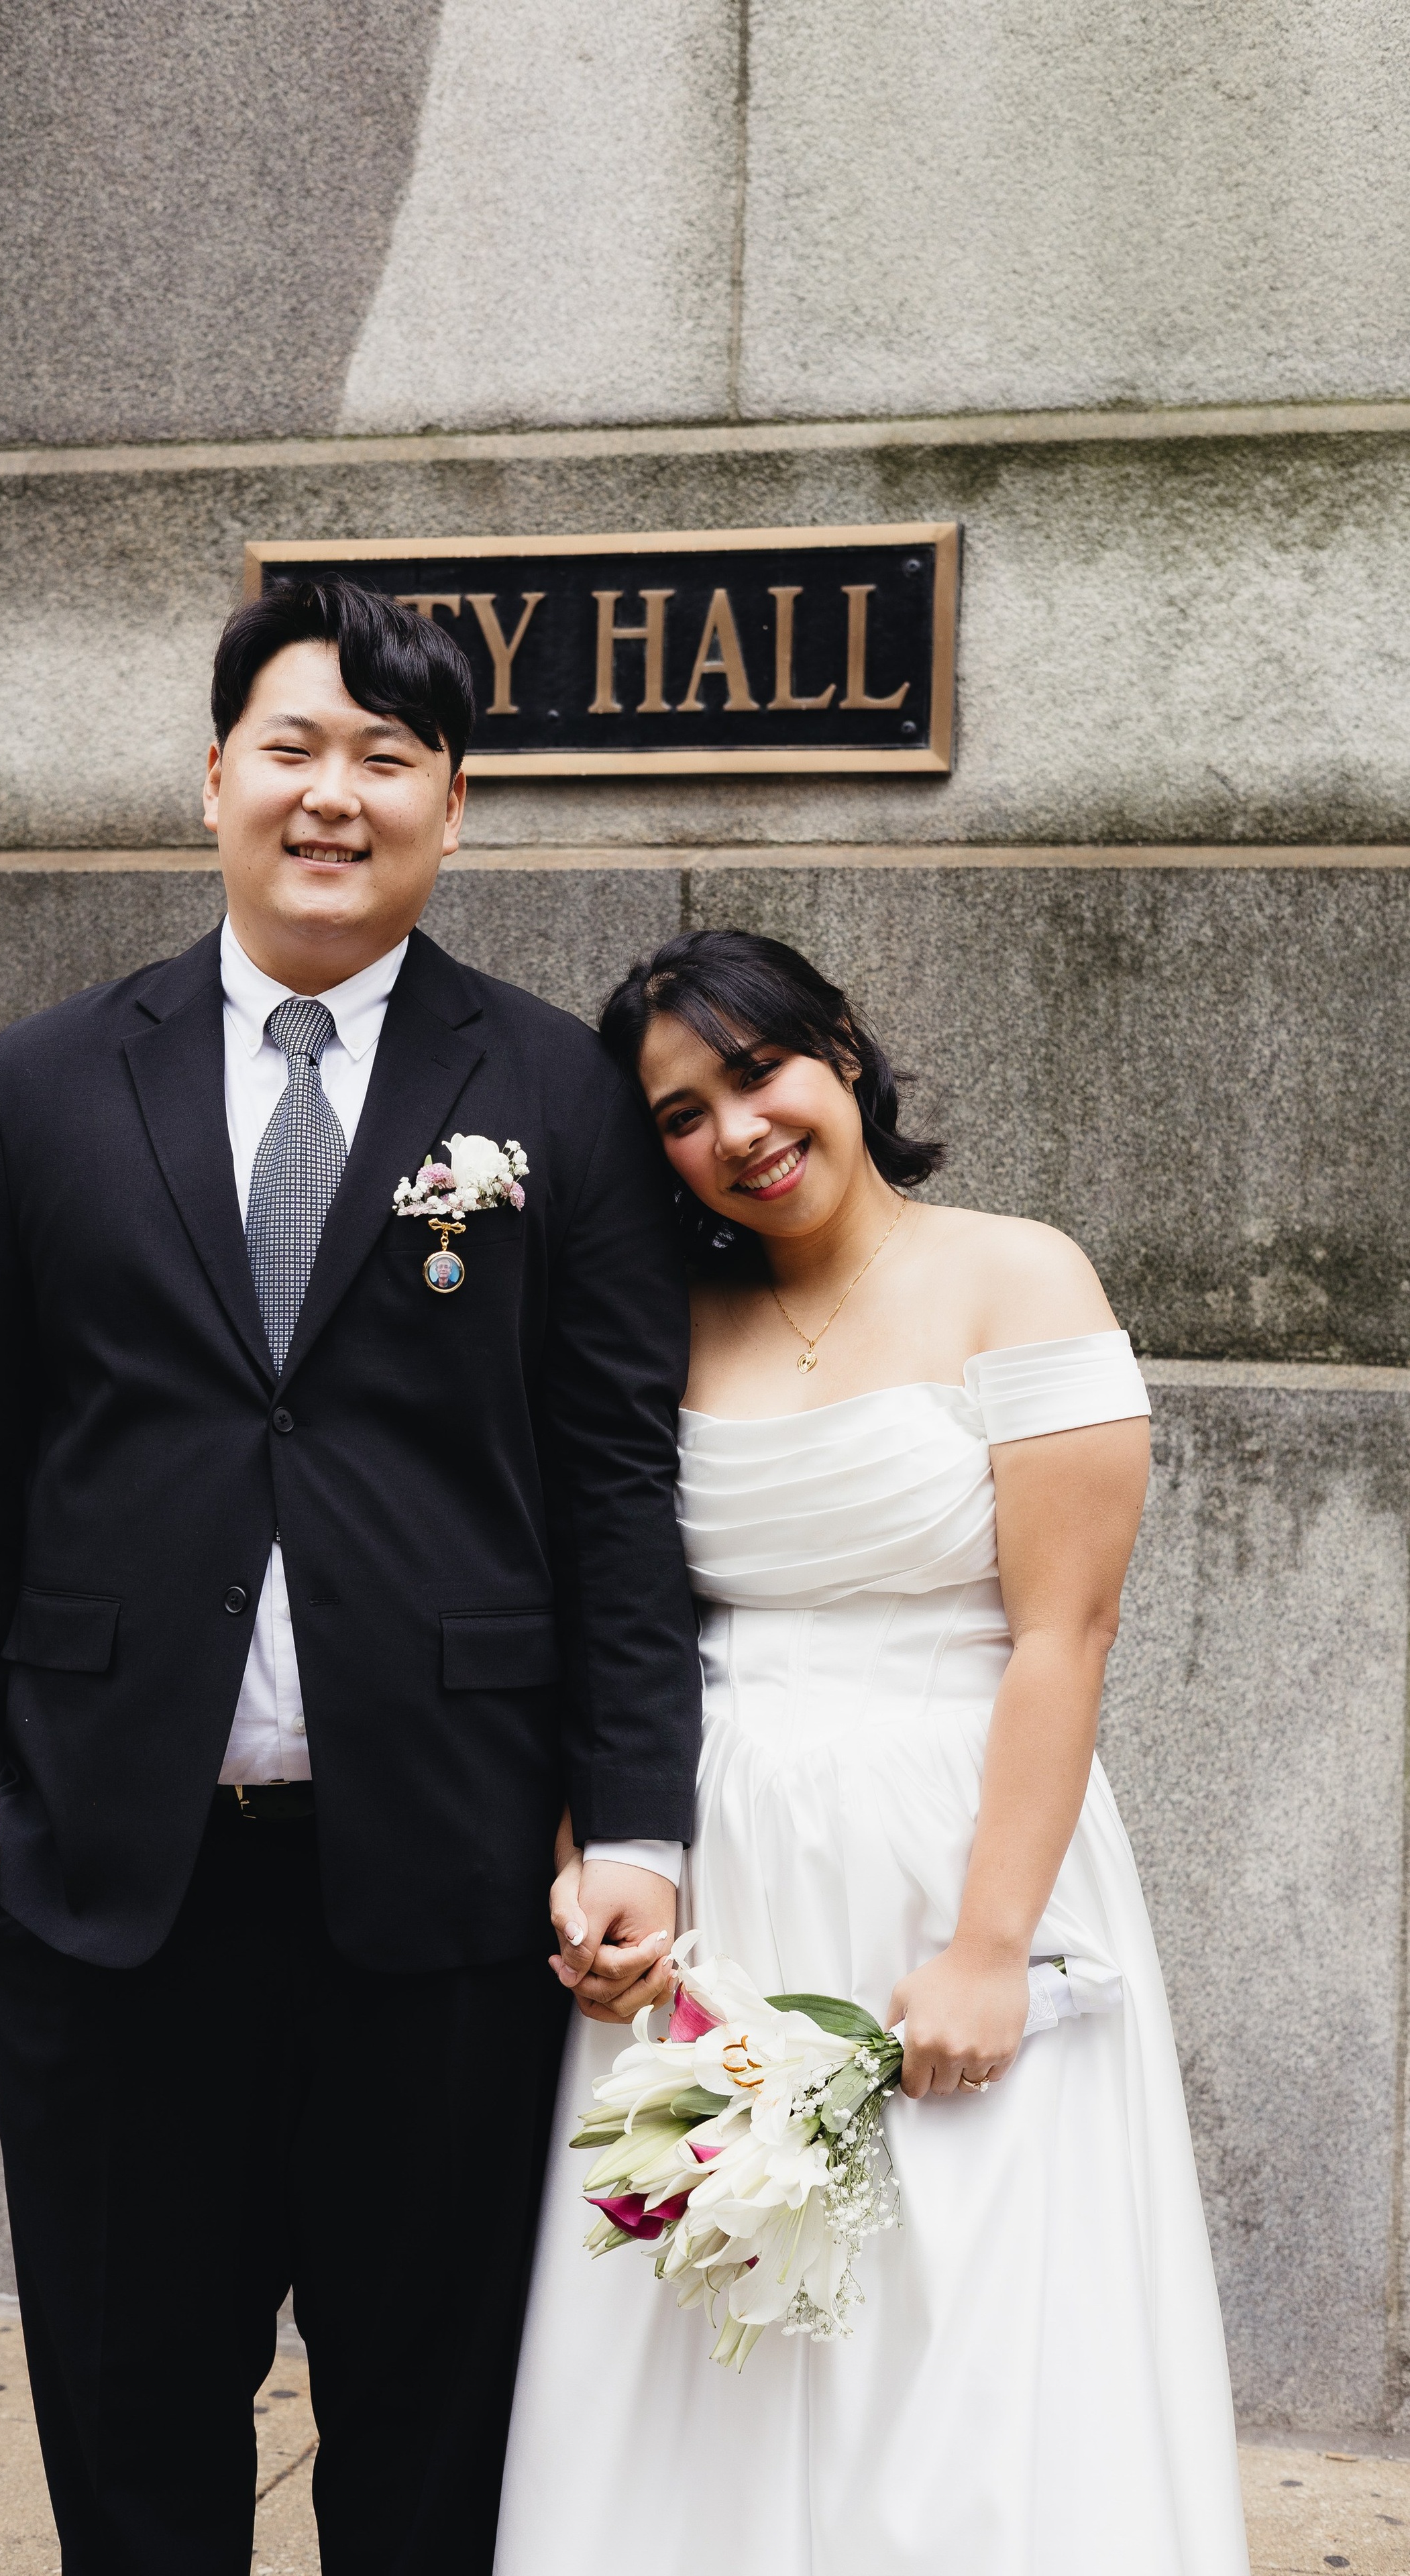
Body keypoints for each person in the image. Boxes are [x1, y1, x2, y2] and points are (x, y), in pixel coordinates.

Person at [0, 579, 703, 2576]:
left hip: (442, 1875)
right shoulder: (47, 1082)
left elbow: (613, 1483)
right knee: (131, 2407)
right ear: (217, 780)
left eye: (388, 760)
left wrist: (643, 1823)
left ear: (455, 801)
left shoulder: (551, 1093)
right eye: (296, 750)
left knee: (428, 2423)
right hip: (105, 1880)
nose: (336, 798)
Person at [496, 930, 1248, 2575]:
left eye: (757, 1072)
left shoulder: (1016, 1274)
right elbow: (617, 1614)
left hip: (951, 1846)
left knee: (966, 2313)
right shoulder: (669, 1314)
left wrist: (988, 1949)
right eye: (680, 1113)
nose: (736, 1131)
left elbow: (1066, 1633)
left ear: (840, 1052)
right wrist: (593, 1858)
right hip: (728, 1872)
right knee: (709, 2312)